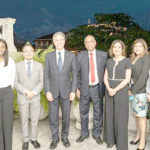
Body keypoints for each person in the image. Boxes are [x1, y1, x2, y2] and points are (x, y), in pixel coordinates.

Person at [44, 32, 77, 149]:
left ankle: (64, 137)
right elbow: (46, 75)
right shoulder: (49, 56)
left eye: (60, 40)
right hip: (52, 92)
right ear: (53, 42)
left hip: (67, 92)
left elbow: (75, 75)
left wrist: (73, 91)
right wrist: (47, 91)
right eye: (56, 40)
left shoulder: (71, 56)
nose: (58, 42)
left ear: (64, 41)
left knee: (66, 117)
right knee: (53, 117)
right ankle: (54, 138)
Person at [76, 35, 107, 145]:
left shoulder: (103, 55)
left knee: (98, 113)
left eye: (91, 41)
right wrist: (77, 88)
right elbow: (76, 74)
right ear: (85, 44)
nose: (89, 44)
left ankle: (97, 134)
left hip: (97, 88)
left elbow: (106, 72)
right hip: (84, 89)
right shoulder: (80, 56)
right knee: (83, 112)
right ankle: (84, 134)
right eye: (87, 42)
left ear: (95, 42)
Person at [103, 40, 132, 150]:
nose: (116, 49)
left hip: (121, 90)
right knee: (109, 115)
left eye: (119, 47)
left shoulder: (127, 61)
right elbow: (105, 77)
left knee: (121, 117)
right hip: (109, 89)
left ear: (122, 49)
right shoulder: (109, 61)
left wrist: (115, 89)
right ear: (112, 49)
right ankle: (110, 140)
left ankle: (121, 144)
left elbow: (127, 79)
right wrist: (109, 88)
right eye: (114, 47)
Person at [15, 43, 43, 150]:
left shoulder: (39, 65)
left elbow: (42, 82)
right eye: (26, 51)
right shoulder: (17, 66)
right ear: (22, 53)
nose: (28, 53)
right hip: (23, 97)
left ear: (34, 53)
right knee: (24, 119)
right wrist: (26, 91)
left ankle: (34, 139)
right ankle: (25, 140)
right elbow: (15, 82)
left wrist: (34, 92)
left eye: (30, 51)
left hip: (35, 97)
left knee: (35, 119)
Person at [129, 39, 150, 150]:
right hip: (132, 91)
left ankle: (142, 141)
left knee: (141, 117)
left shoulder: (146, 58)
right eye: (135, 46)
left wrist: (133, 90)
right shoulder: (133, 58)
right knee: (136, 115)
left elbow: (144, 76)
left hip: (141, 92)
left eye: (140, 46)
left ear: (144, 48)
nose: (137, 48)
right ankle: (138, 136)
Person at [0, 39, 16, 150]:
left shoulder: (10, 61)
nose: (0, 49)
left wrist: (9, 89)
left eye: (2, 46)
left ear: (5, 49)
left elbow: (13, 78)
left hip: (7, 94)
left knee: (7, 122)